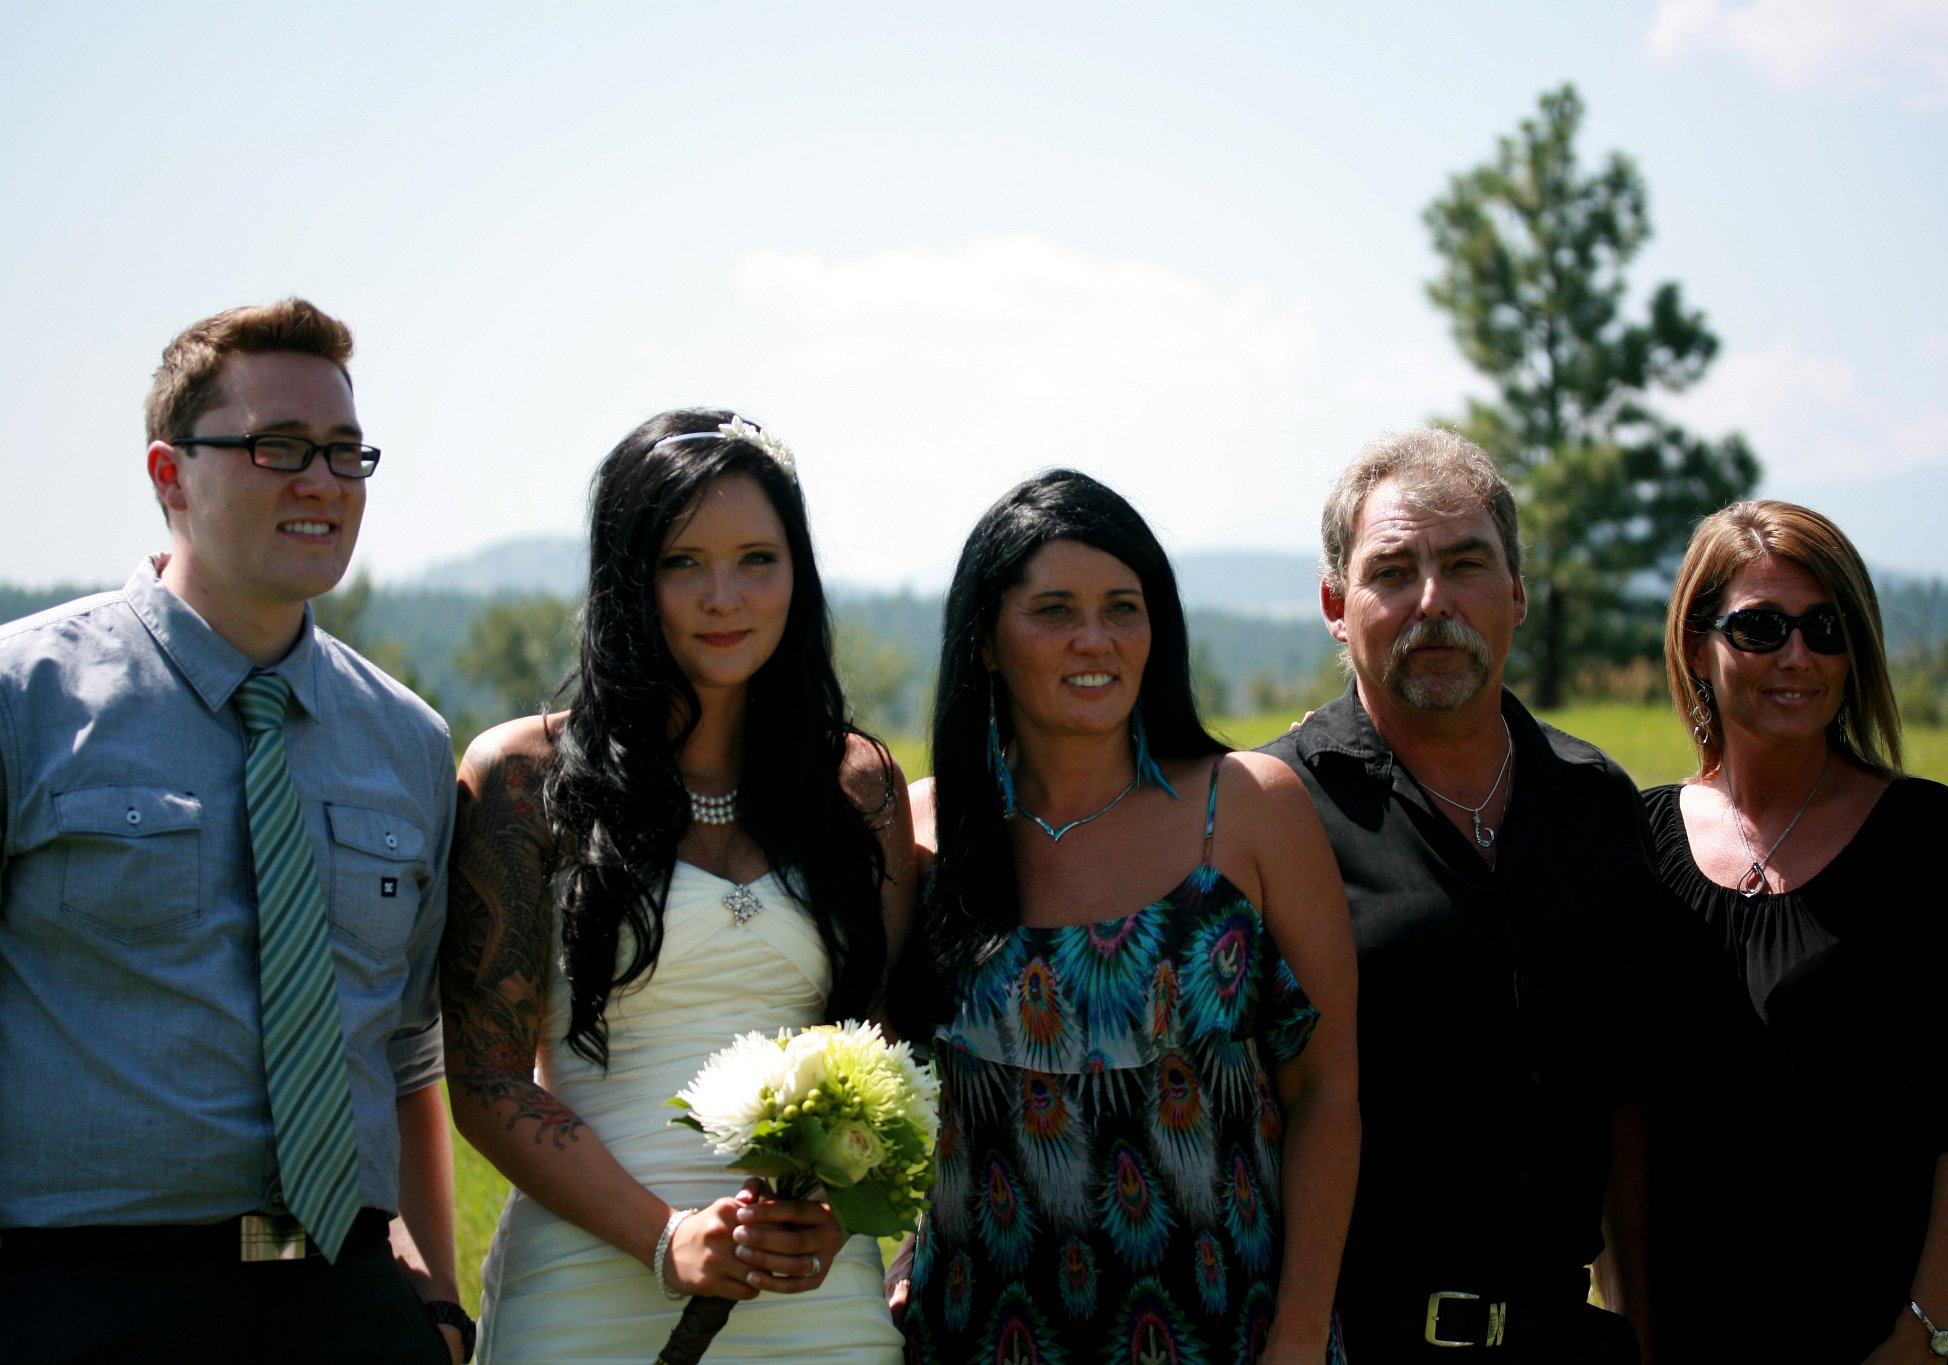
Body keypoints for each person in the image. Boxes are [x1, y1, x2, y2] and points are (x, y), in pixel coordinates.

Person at [0, 298, 467, 1363]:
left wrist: (439, 1305)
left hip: (346, 1301)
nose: (322, 482)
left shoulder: (407, 741)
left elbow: (408, 1048)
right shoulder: (25, 699)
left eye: (345, 452)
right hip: (76, 1301)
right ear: (170, 475)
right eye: (279, 447)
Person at [441, 409, 914, 1364]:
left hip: (813, 1291)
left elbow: (888, 1050)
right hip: (584, 1291)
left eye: (757, 559)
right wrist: (665, 1238)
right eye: (682, 562)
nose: (722, 596)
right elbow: (487, 1079)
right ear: (627, 577)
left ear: (798, 572)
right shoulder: (526, 779)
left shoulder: (858, 787)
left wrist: (835, 1211)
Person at [889, 469, 1358, 1364]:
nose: (1094, 639)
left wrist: (1300, 1329)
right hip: (976, 1329)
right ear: (984, 639)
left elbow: (1327, 1093)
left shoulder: (1250, 809)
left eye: (1122, 608)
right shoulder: (917, 831)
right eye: (1054, 610)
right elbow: (888, 1091)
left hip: (1232, 1330)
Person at [1260, 427, 1649, 1361]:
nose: (1432, 601)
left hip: (1564, 1339)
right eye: (1392, 572)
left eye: (1466, 564)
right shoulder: (1272, 814)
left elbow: (1627, 1104)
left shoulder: (1595, 803)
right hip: (1349, 1340)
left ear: (1517, 591)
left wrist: (1645, 1329)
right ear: (1335, 605)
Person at [1643, 499, 1948, 1363]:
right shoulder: (1638, 844)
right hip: (1703, 1335)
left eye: (1825, 628)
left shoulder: (1927, 840)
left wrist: (1923, 1335)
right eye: (1761, 627)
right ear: (1697, 646)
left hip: (1893, 1338)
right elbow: (1617, 1117)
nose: (1797, 656)